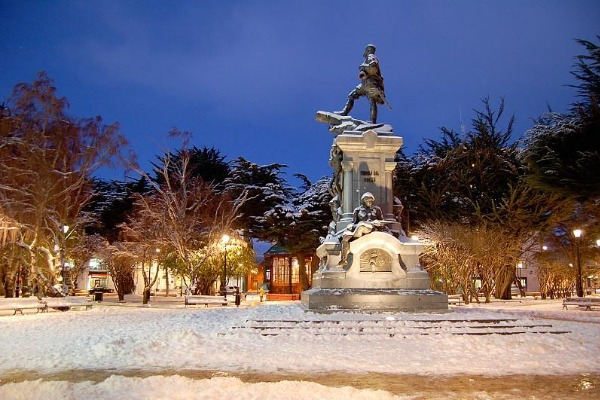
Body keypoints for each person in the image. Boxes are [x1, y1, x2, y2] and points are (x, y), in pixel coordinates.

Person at [335, 44, 388, 123]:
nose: (365, 52)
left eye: (367, 50)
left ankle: (345, 112)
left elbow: (373, 68)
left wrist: (363, 66)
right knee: (357, 96)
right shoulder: (369, 58)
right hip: (365, 83)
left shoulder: (371, 56)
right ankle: (372, 121)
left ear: (368, 51)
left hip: (370, 83)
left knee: (369, 100)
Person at [338, 192, 388, 266]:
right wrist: (351, 226)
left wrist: (379, 223)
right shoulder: (357, 210)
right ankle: (343, 259)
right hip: (358, 230)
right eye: (368, 200)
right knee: (345, 237)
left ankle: (353, 238)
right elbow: (355, 223)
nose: (370, 202)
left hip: (370, 228)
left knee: (361, 226)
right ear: (363, 201)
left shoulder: (377, 209)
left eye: (371, 200)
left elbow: (382, 222)